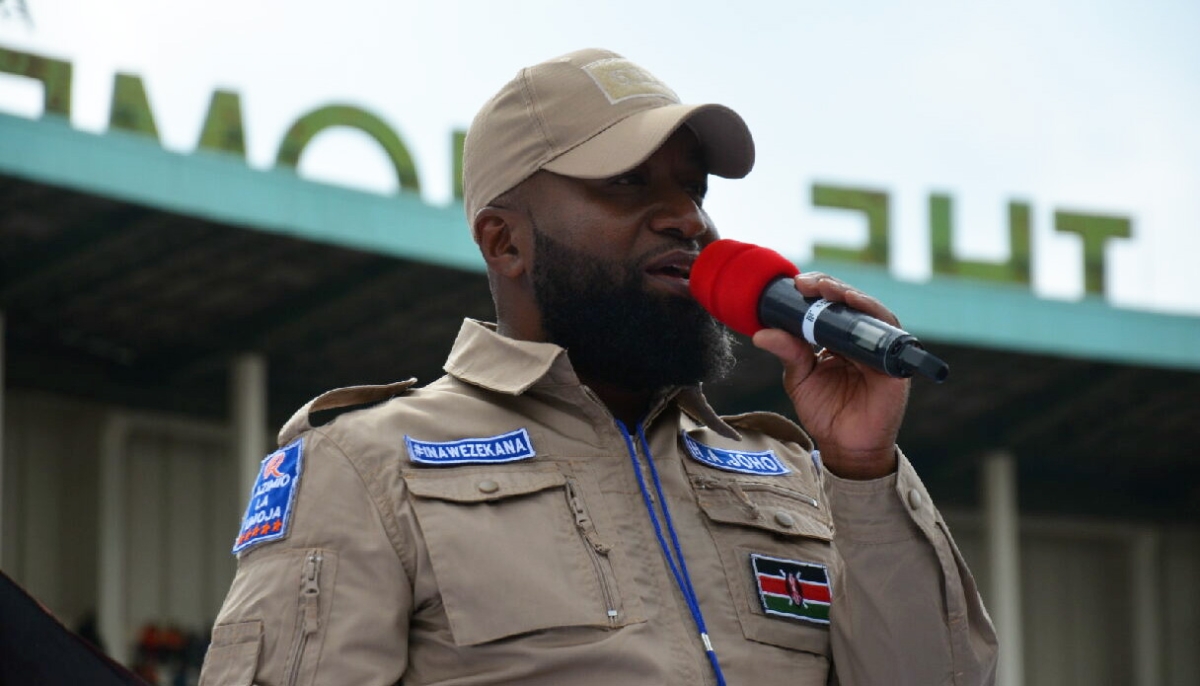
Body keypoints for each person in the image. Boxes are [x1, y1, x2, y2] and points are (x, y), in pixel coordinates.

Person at [199, 48, 998, 686]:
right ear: (503, 240)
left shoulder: (794, 474)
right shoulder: (363, 464)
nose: (687, 218)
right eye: (627, 183)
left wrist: (860, 469)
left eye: (692, 187)